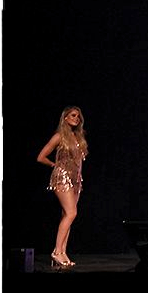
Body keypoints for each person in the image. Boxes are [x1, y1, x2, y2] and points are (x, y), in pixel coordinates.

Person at [36, 106, 87, 268]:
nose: (76, 118)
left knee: (67, 214)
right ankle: (57, 252)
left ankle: (62, 251)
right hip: (62, 177)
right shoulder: (59, 136)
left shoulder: (78, 137)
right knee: (72, 213)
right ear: (65, 118)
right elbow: (41, 157)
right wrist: (55, 165)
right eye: (73, 115)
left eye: (78, 116)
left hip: (76, 180)